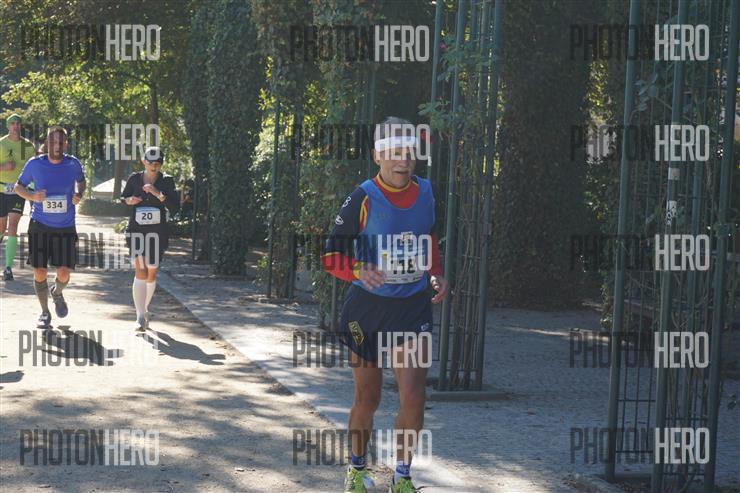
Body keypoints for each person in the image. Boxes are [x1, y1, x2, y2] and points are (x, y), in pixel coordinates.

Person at [322, 117, 449, 493]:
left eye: (408, 153)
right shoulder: (362, 197)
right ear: (377, 156)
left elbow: (429, 239)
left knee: (414, 395)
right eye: (393, 153)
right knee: (369, 397)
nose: (402, 161)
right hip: (367, 309)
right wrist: (359, 269)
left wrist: (436, 274)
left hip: (411, 308)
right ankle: (357, 468)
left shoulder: (428, 192)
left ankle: (402, 476)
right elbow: (330, 256)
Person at [15, 126, 85, 328]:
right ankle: (45, 312)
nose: (57, 146)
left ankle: (57, 292)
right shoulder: (35, 164)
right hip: (40, 225)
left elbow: (81, 182)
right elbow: (19, 187)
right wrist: (32, 196)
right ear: (47, 143)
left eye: (61, 142)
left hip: (65, 226)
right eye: (53, 142)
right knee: (39, 271)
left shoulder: (73, 163)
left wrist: (79, 194)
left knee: (63, 272)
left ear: (66, 144)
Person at [121, 146, 179, 331]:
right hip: (136, 230)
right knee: (141, 269)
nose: (154, 166)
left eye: (158, 163)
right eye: (151, 163)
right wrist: (129, 200)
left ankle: (144, 309)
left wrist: (157, 194)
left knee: (151, 271)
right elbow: (123, 198)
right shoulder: (134, 179)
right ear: (143, 162)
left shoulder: (167, 181)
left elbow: (175, 206)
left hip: (157, 231)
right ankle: (139, 317)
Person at [0, 114, 37, 280]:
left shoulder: (28, 146)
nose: (15, 126)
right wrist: (3, 167)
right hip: (1, 189)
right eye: (12, 123)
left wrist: (34, 191)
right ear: (8, 126)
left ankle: (8, 268)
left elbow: (34, 170)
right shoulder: (1, 143)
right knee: (1, 227)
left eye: (18, 123)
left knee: (13, 226)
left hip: (18, 191)